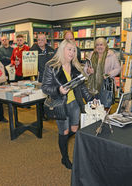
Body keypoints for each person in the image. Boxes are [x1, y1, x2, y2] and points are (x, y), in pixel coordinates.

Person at [41, 39, 93, 169]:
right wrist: (58, 90)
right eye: (69, 49)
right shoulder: (52, 66)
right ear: (62, 50)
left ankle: (63, 142)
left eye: (74, 50)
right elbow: (45, 88)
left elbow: (82, 87)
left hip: (74, 103)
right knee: (64, 132)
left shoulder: (76, 66)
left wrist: (91, 100)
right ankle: (64, 158)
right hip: (60, 104)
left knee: (74, 130)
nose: (72, 52)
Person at [84, 37, 121, 106]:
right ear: (95, 46)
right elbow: (85, 68)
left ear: (105, 46)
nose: (99, 47)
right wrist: (88, 71)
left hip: (106, 87)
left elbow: (118, 68)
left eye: (101, 45)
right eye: (97, 45)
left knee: (105, 107)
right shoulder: (91, 55)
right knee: (93, 107)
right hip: (93, 87)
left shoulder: (111, 55)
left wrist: (109, 74)